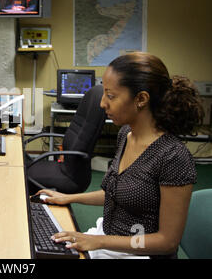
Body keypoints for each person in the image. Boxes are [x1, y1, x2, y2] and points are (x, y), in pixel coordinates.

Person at [36, 52, 204, 259]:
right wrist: (69, 198)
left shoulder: (172, 157)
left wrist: (98, 242)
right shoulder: (126, 134)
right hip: (108, 239)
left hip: (139, 253)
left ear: (141, 99)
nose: (102, 103)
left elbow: (167, 242)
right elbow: (119, 193)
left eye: (111, 96)